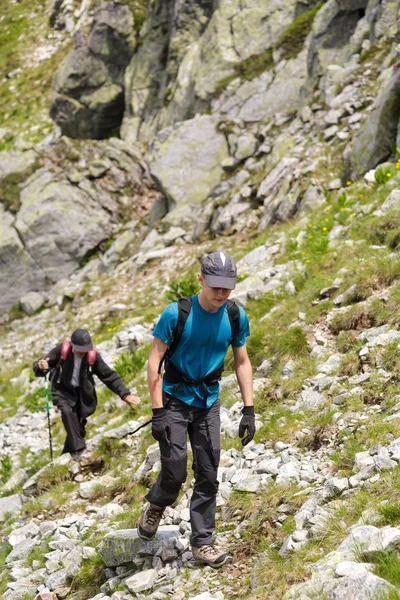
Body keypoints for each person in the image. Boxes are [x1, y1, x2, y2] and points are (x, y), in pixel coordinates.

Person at [138, 251, 254, 568]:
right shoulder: (175, 315)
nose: (221, 293)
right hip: (174, 399)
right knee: (174, 472)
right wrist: (158, 411)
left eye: (227, 287)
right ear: (201, 279)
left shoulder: (234, 316)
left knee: (208, 472)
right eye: (215, 285)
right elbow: (153, 361)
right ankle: (156, 504)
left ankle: (203, 542)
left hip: (208, 401)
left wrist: (249, 408)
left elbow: (242, 361)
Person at [33, 328, 140, 459]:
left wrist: (125, 394)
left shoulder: (93, 356)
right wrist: (40, 366)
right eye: (80, 349)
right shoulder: (62, 350)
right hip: (62, 391)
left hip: (82, 395)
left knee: (78, 428)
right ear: (73, 345)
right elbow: (42, 365)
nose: (83, 352)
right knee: (67, 412)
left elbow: (109, 376)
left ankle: (66, 456)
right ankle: (80, 449)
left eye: (85, 348)